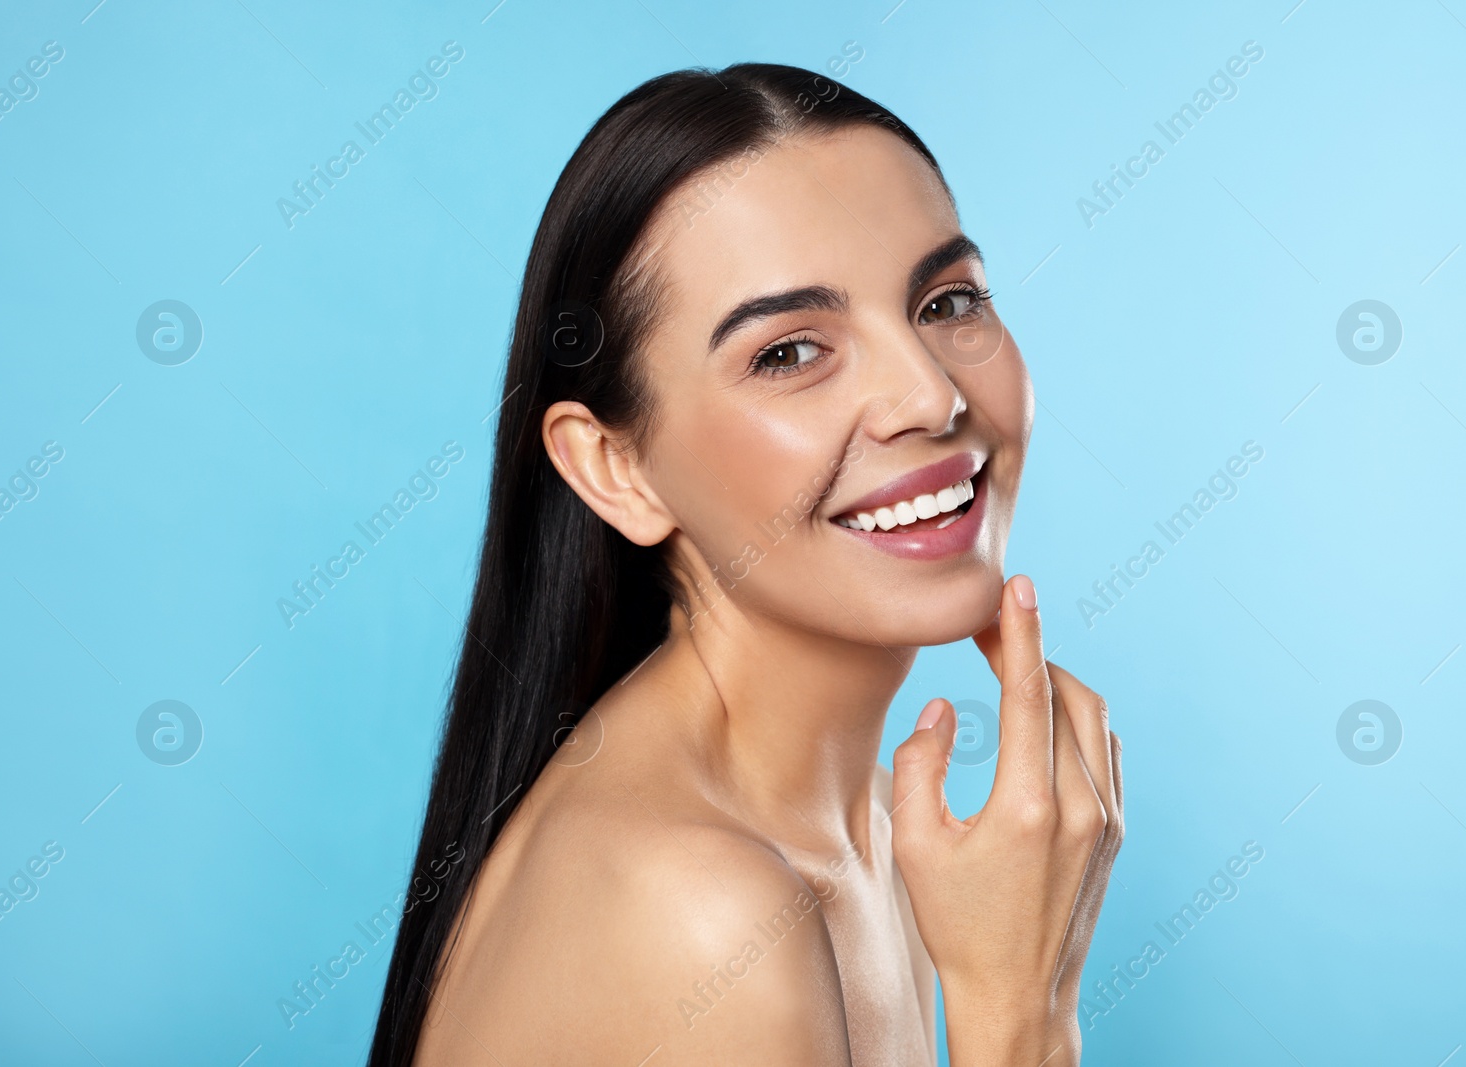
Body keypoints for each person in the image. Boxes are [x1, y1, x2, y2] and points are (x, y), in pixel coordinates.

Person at [369, 62, 1123, 1067]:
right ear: (616, 468)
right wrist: (1016, 1010)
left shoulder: (873, 837)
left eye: (945, 301)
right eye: (787, 352)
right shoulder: (705, 914)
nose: (929, 396)